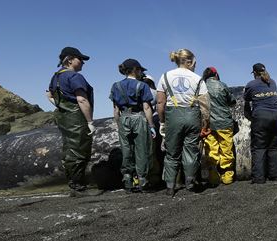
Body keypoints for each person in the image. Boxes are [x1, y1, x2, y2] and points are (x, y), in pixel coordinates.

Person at [47, 46, 100, 196]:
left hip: (64, 118)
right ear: (70, 60)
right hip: (76, 118)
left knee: (69, 149)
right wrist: (90, 121)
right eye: (80, 59)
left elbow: (49, 95)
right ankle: (78, 186)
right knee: (80, 150)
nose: (83, 62)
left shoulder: (56, 76)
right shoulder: (74, 76)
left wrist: (62, 107)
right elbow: (82, 99)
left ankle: (73, 183)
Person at [156, 49, 210, 196]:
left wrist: (162, 122)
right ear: (189, 61)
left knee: (172, 153)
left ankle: (170, 186)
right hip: (192, 116)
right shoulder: (198, 79)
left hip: (172, 116)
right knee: (191, 151)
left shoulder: (165, 76)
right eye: (195, 62)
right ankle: (190, 184)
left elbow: (160, 102)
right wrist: (205, 125)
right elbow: (205, 106)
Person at [110, 59, 156, 192]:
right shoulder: (142, 86)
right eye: (140, 70)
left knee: (126, 151)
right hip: (139, 118)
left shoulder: (115, 86)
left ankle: (128, 181)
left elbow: (115, 110)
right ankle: (143, 181)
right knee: (142, 150)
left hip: (124, 118)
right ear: (135, 69)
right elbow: (147, 108)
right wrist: (151, 125)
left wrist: (119, 124)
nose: (141, 72)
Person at [243, 63, 277, 184]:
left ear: (254, 73)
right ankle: (275, 175)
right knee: (274, 147)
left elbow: (246, 101)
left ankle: (259, 178)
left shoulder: (251, 84)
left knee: (259, 147)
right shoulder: (272, 82)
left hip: (262, 116)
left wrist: (252, 117)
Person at [201, 66, 237, 186]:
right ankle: (227, 177)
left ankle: (213, 178)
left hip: (208, 124)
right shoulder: (222, 85)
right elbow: (232, 102)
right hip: (224, 123)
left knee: (211, 150)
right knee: (226, 150)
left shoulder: (201, 87)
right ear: (216, 75)